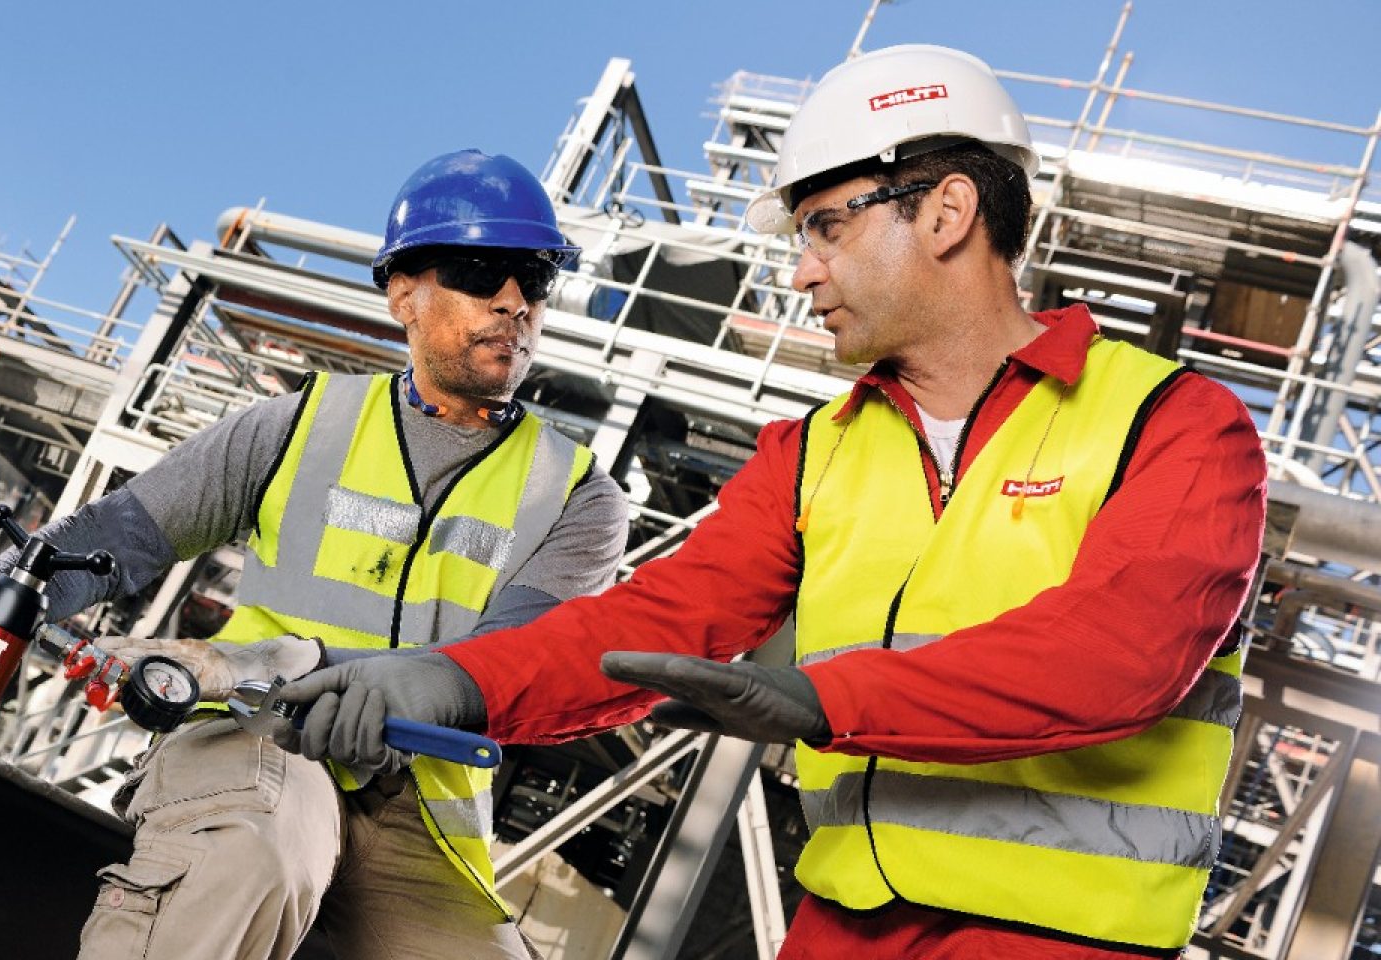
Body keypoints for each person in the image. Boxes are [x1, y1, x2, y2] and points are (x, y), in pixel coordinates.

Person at [273, 46, 1268, 959]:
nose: (802, 271)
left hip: (1064, 943)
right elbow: (657, 620)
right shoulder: (816, 451)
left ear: (947, 211)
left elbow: (1116, 656)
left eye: (827, 226)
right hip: (837, 927)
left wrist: (825, 697)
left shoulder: (1173, 422)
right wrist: (458, 681)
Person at [0, 149, 628, 959]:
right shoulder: (302, 427)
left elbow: (504, 667)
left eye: (536, 280)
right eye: (483, 270)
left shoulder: (577, 495)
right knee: (252, 860)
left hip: (415, 801)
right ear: (404, 292)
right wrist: (21, 578)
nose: (515, 302)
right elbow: (127, 533)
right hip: (258, 731)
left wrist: (292, 655)